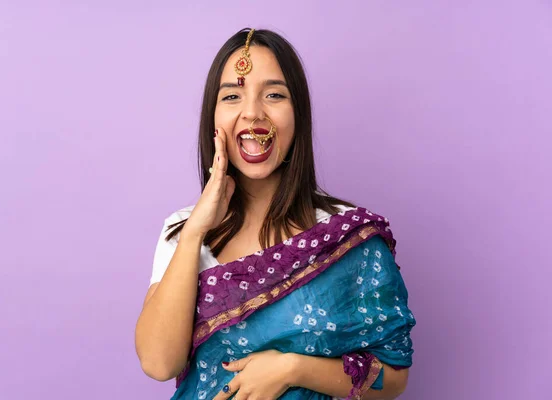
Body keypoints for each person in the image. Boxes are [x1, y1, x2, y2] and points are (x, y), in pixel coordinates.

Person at [135, 28, 416, 400]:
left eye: (274, 95)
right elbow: (159, 363)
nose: (253, 113)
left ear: (298, 113)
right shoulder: (183, 230)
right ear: (213, 118)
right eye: (232, 96)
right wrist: (195, 231)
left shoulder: (347, 236)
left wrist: (291, 369)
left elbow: (393, 379)